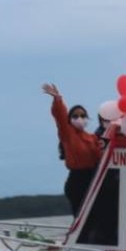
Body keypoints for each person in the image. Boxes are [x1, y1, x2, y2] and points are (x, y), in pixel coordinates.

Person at [42, 83, 102, 218]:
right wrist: (58, 99)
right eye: (75, 116)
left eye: (82, 115)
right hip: (77, 181)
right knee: (81, 216)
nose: (79, 118)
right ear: (70, 119)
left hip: (93, 179)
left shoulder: (93, 138)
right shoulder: (68, 134)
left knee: (96, 215)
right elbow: (60, 117)